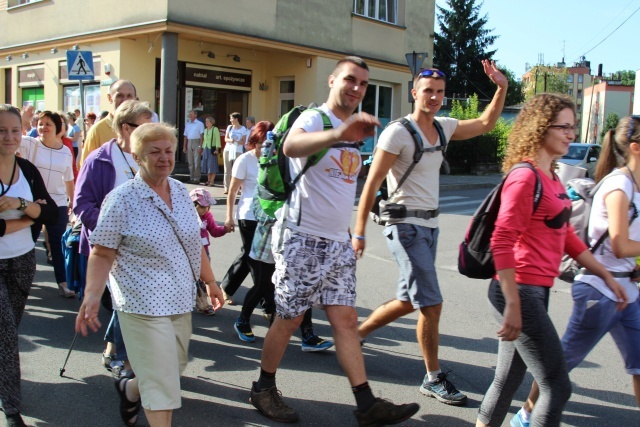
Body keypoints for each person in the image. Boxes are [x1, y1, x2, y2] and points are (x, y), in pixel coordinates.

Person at [249, 56, 419, 425]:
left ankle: (367, 404)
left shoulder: (352, 129)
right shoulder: (316, 120)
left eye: (362, 83)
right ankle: (263, 388)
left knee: (344, 319)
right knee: (290, 319)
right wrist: (338, 134)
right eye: (350, 80)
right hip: (301, 237)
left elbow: (341, 186)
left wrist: (352, 231)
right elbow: (291, 147)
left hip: (336, 243)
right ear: (332, 81)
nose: (356, 88)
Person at [352, 61, 507, 406]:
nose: (435, 97)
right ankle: (433, 377)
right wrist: (359, 231)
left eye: (439, 92)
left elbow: (486, 123)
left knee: (410, 299)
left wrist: (501, 88)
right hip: (404, 226)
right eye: (428, 91)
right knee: (432, 304)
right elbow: (372, 183)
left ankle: (355, 335)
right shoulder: (398, 133)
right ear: (414, 93)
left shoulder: (444, 126)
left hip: (431, 226)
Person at [473, 93, 628, 427]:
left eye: (573, 127)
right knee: (557, 386)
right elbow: (501, 239)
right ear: (541, 127)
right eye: (564, 127)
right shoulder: (525, 177)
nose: (571, 134)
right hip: (517, 290)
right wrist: (513, 303)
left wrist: (606, 274)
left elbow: (568, 237)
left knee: (507, 380)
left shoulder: (553, 177)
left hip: (533, 291)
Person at [75, 122, 224, 427]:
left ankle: (130, 388)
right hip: (140, 304)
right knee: (161, 385)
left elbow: (193, 242)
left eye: (168, 150)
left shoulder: (182, 192)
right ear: (138, 156)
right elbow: (102, 252)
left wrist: (211, 282)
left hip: (180, 301)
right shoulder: (122, 199)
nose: (164, 157)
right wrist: (91, 295)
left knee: (173, 366)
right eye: (154, 152)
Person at [511, 115, 640, 427]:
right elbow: (621, 244)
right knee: (560, 365)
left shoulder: (635, 184)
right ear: (636, 148)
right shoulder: (619, 184)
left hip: (627, 291)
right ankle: (526, 415)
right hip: (599, 290)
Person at [227, 121, 333, 351]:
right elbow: (261, 210)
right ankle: (242, 320)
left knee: (301, 288)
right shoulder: (266, 177)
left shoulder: (295, 172)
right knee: (262, 286)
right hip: (265, 245)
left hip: (291, 244)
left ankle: (308, 336)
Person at [74, 100, 153, 377]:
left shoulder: (148, 156)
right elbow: (82, 205)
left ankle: (114, 348)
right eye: (144, 128)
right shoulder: (99, 159)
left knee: (129, 300)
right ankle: (121, 357)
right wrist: (111, 234)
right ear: (124, 128)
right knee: (126, 300)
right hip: (108, 246)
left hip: (143, 248)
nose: (150, 133)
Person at [0, 104, 58, 427]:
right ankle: (11, 410)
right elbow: (38, 214)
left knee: (9, 328)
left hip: (23, 261)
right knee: (6, 333)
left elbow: (53, 215)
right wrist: (28, 216)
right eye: (1, 130)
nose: (9, 137)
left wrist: (22, 205)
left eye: (14, 130)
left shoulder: (28, 171)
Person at [19, 111, 75, 298]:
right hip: (33, 203)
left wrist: (73, 203)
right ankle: (23, 280)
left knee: (58, 244)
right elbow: (14, 134)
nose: (43, 127)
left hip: (57, 203)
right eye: (40, 123)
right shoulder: (30, 143)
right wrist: (24, 118)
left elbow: (68, 179)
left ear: (58, 128)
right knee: (28, 243)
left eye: (48, 124)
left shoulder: (66, 151)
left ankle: (63, 282)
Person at [220, 120, 262, 305]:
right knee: (251, 254)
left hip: (268, 217)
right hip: (248, 214)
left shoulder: (274, 161)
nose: (267, 147)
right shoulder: (245, 160)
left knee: (258, 256)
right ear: (254, 142)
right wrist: (229, 217)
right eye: (262, 143)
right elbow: (233, 190)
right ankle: (262, 296)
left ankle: (228, 287)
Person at [190, 187, 228, 316]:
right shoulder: (185, 216)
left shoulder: (208, 216)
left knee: (203, 279)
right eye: (202, 207)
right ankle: (201, 303)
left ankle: (203, 303)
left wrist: (225, 229)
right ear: (193, 205)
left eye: (208, 206)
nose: (206, 209)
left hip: (204, 253)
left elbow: (215, 231)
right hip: (188, 253)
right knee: (190, 279)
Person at [81, 80, 137, 165]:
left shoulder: (141, 128)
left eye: (129, 96)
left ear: (135, 99)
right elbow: (87, 166)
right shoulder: (97, 130)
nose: (125, 100)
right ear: (110, 98)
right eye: (119, 96)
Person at [223, 112, 248, 194]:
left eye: (232, 118)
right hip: (228, 149)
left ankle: (236, 188)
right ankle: (227, 188)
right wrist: (231, 140)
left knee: (237, 169)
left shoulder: (243, 129)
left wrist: (237, 141)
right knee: (227, 170)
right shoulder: (229, 127)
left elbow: (243, 141)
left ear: (236, 119)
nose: (230, 120)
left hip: (238, 150)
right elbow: (226, 139)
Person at [183, 110, 204, 184]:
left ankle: (197, 178)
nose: (190, 116)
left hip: (196, 141)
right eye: (189, 114)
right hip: (189, 142)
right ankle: (191, 177)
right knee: (190, 161)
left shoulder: (200, 124)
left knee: (196, 161)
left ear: (195, 115)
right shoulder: (188, 124)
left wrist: (200, 146)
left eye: (191, 114)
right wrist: (184, 146)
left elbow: (202, 136)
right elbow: (185, 136)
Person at [201, 117, 220, 186]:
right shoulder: (205, 130)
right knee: (207, 165)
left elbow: (218, 139)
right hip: (206, 148)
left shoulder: (215, 129)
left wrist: (217, 149)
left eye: (208, 122)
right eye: (206, 121)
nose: (206, 123)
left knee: (212, 165)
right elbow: (204, 140)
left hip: (212, 149)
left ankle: (212, 181)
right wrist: (203, 149)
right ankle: (208, 180)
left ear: (211, 123)